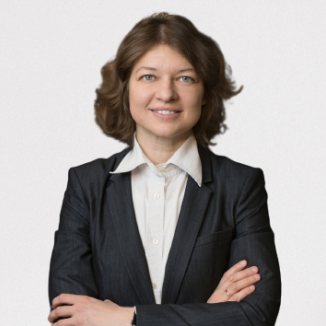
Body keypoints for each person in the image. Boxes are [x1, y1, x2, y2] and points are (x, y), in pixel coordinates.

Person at [48, 12, 281, 326]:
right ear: (125, 87)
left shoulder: (240, 185)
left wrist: (127, 317)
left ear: (205, 93)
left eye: (185, 77)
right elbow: (70, 317)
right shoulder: (86, 185)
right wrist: (207, 313)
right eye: (148, 76)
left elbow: (254, 315)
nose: (167, 93)